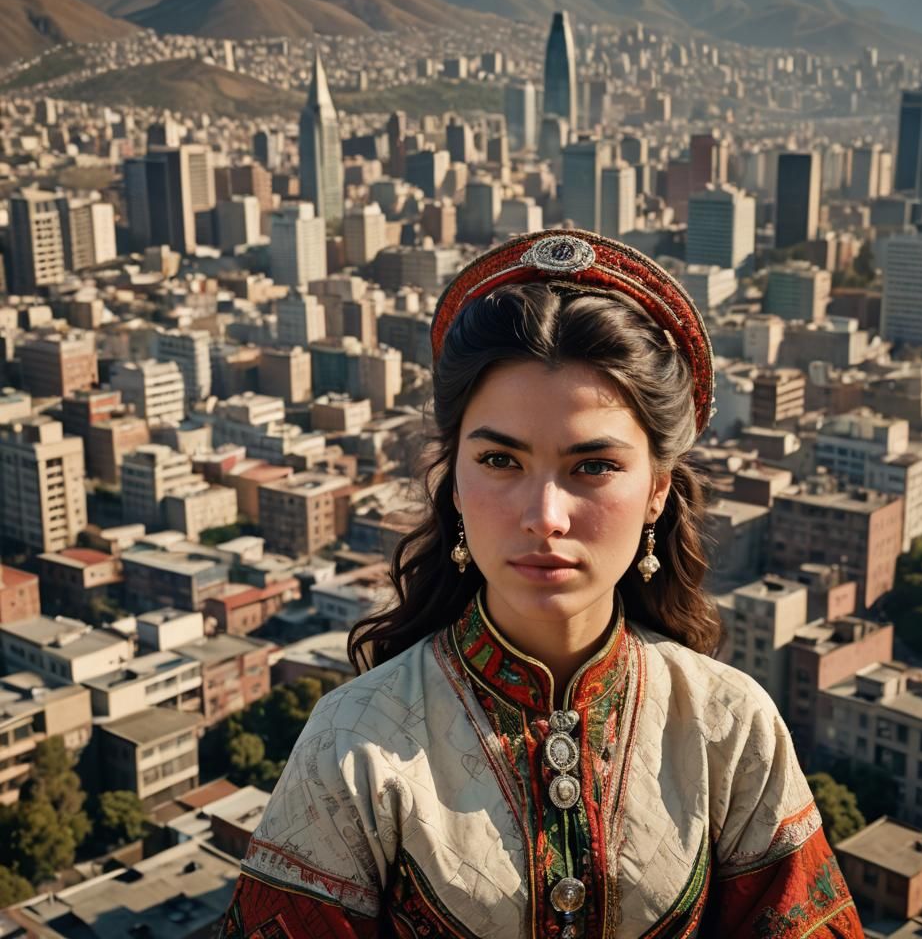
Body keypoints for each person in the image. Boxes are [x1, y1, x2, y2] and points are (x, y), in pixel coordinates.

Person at [220, 230, 864, 938]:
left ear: (657, 489)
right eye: (500, 460)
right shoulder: (353, 746)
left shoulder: (726, 727)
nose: (544, 517)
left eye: (592, 467)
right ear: (454, 481)